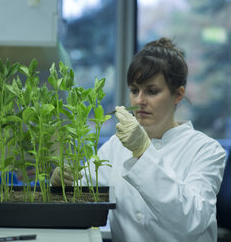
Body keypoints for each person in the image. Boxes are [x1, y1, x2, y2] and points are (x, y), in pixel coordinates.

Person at [50, 37, 226, 242]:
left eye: (152, 91)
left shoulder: (206, 150)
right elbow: (84, 196)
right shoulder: (116, 146)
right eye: (134, 90)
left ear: (178, 95)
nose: (139, 100)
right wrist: (62, 185)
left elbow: (193, 220)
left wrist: (143, 151)